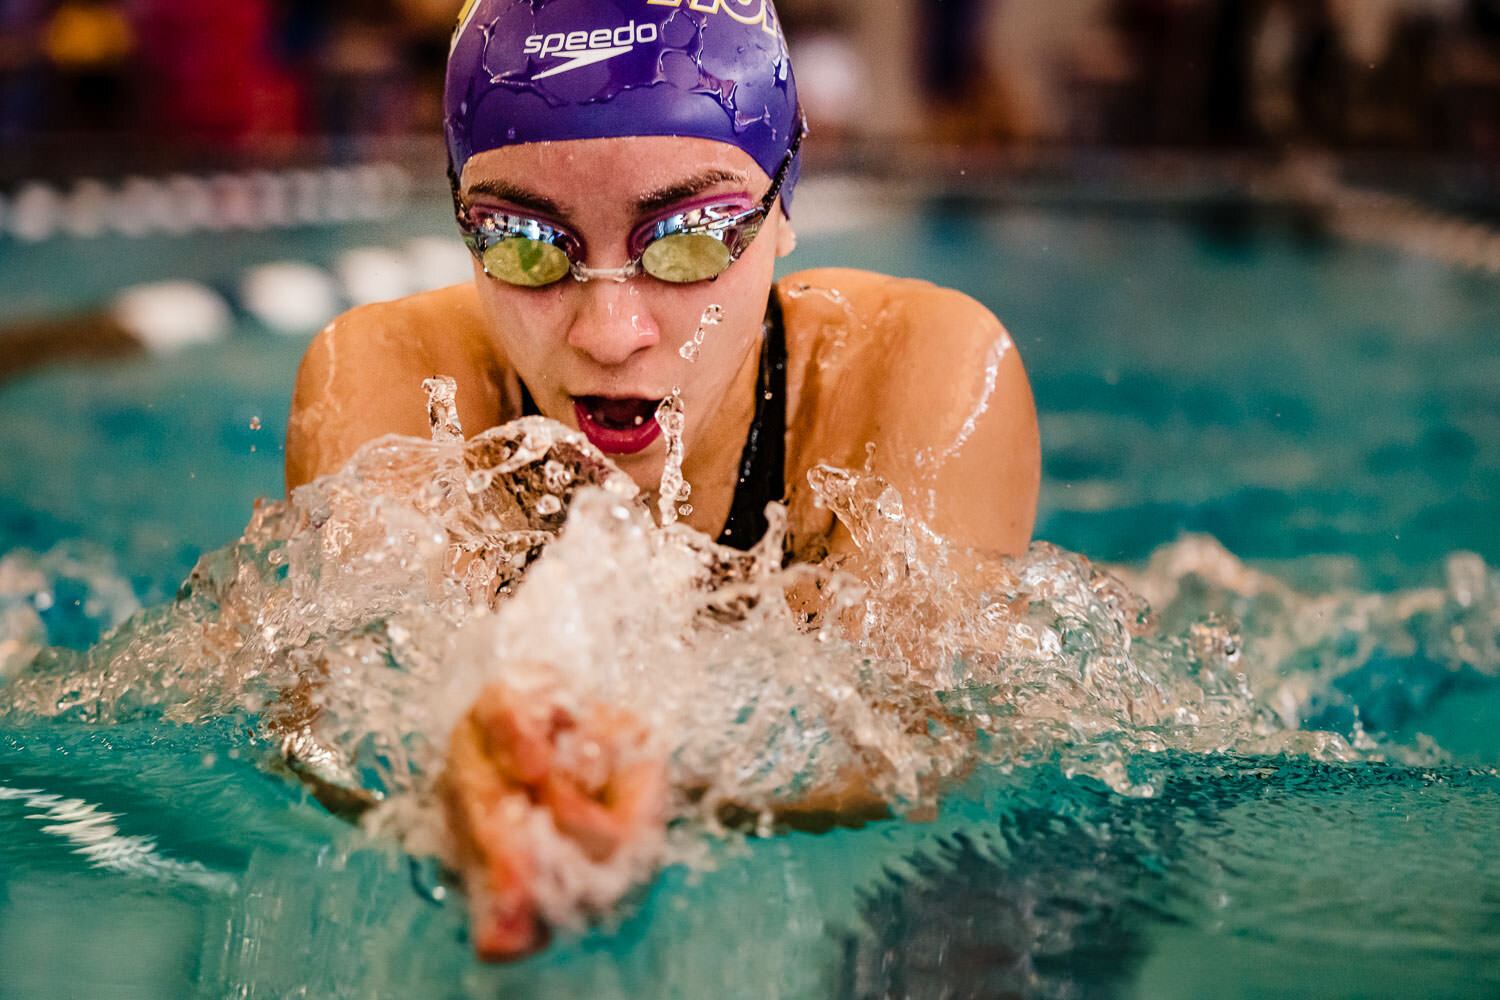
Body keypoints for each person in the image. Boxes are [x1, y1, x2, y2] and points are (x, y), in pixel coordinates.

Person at [283, 0, 1040, 960]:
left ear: (784, 205)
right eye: (525, 242)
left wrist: (669, 769)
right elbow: (344, 708)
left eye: (686, 240)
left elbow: (927, 732)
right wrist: (447, 769)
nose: (609, 335)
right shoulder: (397, 380)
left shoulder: (912, 375)